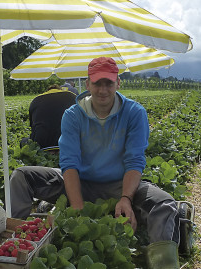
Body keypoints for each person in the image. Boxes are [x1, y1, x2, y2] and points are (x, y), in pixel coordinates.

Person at [10, 57, 180, 269]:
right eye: (97, 83)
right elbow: (69, 164)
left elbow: (134, 161)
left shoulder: (134, 113)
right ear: (88, 84)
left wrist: (126, 198)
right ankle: (18, 242)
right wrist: (78, 210)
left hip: (119, 185)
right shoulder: (73, 115)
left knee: (164, 204)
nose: (103, 90)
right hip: (79, 182)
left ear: (118, 83)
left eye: (108, 83)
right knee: (22, 176)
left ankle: (161, 264)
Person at [21, 84, 76, 150]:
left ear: (47, 91)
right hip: (69, 142)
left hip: (41, 144)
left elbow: (32, 126)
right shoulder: (72, 97)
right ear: (60, 90)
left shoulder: (36, 101)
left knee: (23, 141)